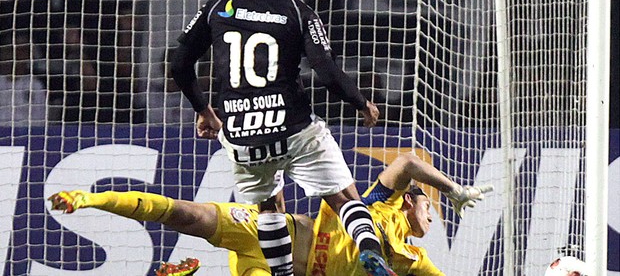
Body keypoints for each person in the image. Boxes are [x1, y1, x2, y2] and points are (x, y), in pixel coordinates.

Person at [170, 0, 388, 275]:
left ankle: (281, 274)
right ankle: (370, 249)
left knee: (269, 207)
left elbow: (179, 64)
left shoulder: (219, 4)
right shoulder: (298, 11)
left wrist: (204, 111)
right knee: (345, 198)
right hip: (294, 129)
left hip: (243, 134)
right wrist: (362, 103)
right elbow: (328, 72)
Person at [48, 152, 493, 276]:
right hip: (271, 232)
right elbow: (408, 164)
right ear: (413, 199)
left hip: (275, 270)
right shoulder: (382, 202)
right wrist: (453, 190)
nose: (434, 216)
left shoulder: (413, 261)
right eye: (430, 206)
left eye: (437, 210)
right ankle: (90, 200)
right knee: (187, 216)